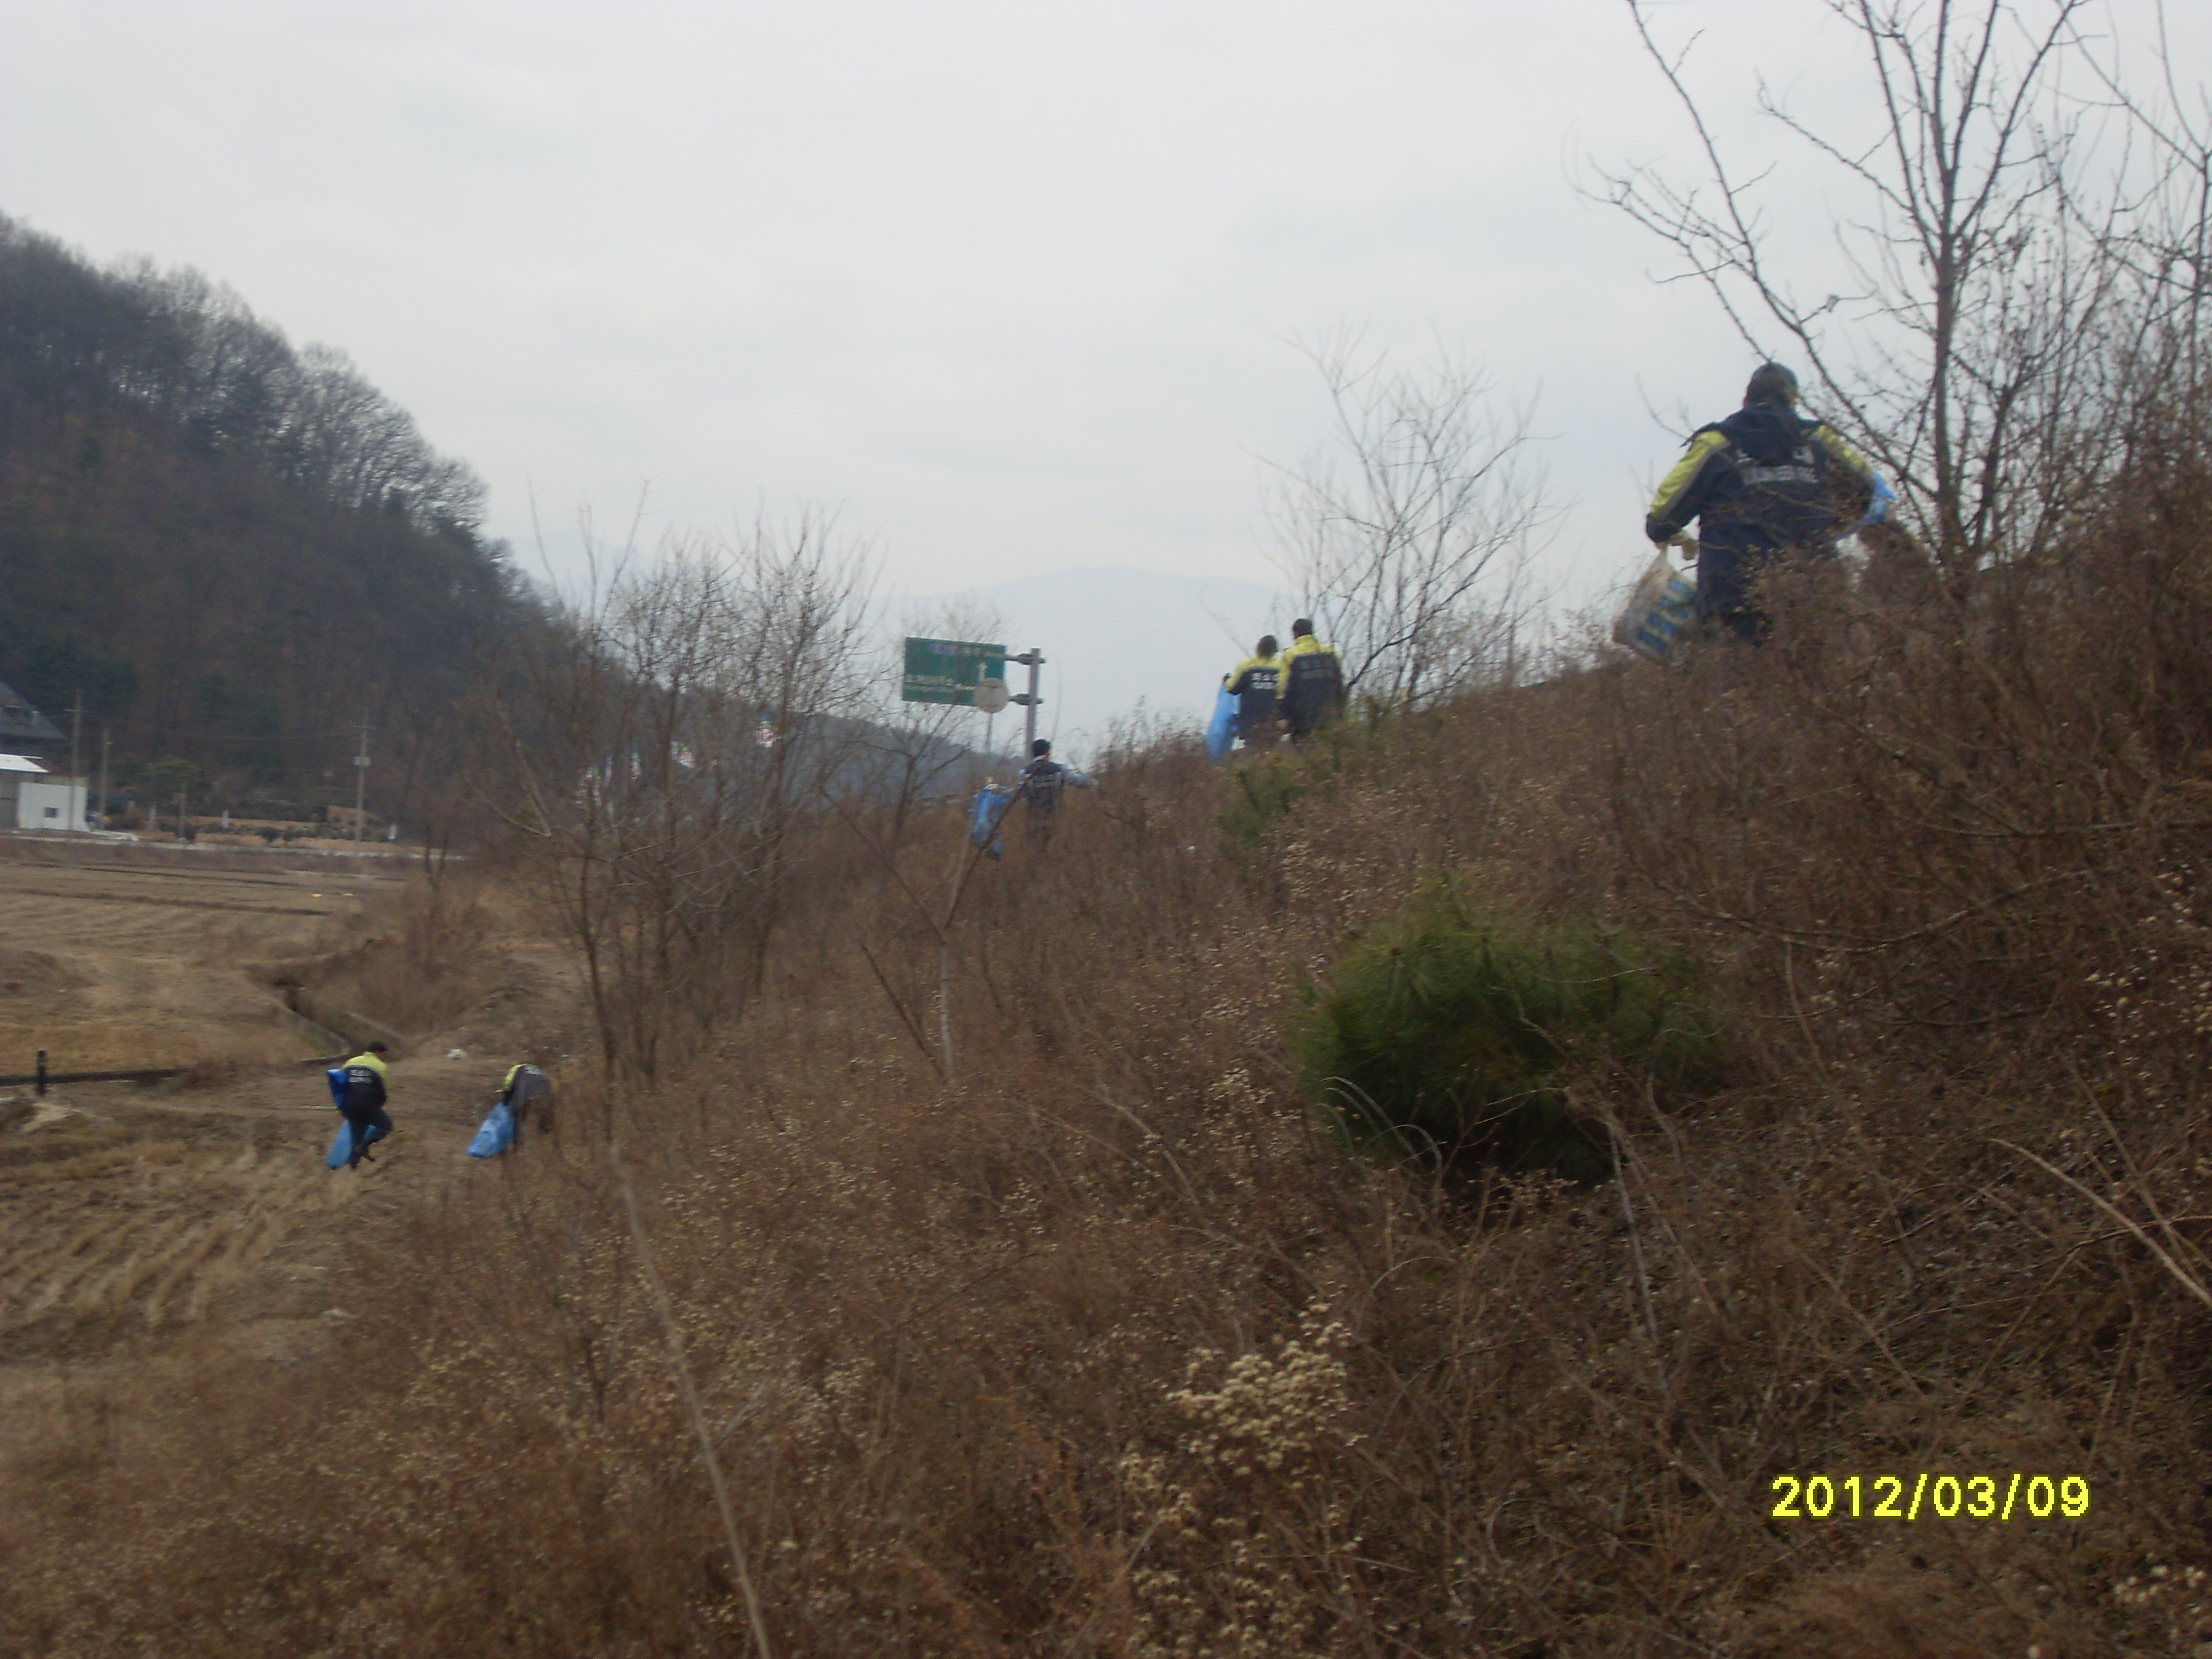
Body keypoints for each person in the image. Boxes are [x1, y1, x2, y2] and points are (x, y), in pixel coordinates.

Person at [1645, 361, 1875, 644]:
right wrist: (1829, 523)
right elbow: (1865, 492)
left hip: (1734, 602)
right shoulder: (1818, 441)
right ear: (1792, 401)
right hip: (1815, 594)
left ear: (1746, 400)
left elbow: (1662, 518)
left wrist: (1671, 534)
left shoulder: (1717, 444)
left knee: (1741, 672)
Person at [1277, 619, 1345, 741]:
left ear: (1295, 634)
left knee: (1304, 745)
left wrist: (1283, 714)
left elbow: (1282, 686)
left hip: (1302, 715)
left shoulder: (1290, 654)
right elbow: (1339, 680)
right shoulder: (1330, 652)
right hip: (1329, 712)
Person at [1223, 635, 1283, 750]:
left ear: (1258, 648)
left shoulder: (1246, 666)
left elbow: (1232, 688)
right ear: (1275, 650)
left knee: (1253, 752)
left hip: (1250, 722)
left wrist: (1226, 680)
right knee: (1272, 752)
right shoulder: (1282, 667)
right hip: (1273, 720)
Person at [339, 1041, 392, 1169]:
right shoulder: (380, 1066)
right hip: (368, 1104)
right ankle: (364, 1146)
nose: (383, 1058)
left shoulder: (350, 1062)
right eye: (383, 1055)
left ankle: (352, 1168)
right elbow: (384, 1089)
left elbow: (340, 1081)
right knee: (386, 1126)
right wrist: (379, 1104)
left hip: (349, 1104)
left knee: (357, 1136)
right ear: (378, 1052)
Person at [1014, 739, 1092, 825]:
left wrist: (1002, 792)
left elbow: (1017, 793)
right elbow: (1076, 780)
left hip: (1034, 821)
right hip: (1056, 819)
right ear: (1048, 753)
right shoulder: (1059, 769)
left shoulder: (1024, 773)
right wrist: (1091, 781)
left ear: (1032, 755)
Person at [500, 1062, 554, 1147]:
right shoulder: (538, 1070)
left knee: (518, 1117)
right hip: (543, 1096)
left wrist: (506, 1100)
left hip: (524, 1095)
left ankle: (517, 1145)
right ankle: (545, 1141)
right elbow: (548, 1084)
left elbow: (507, 1084)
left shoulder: (516, 1068)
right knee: (544, 1117)